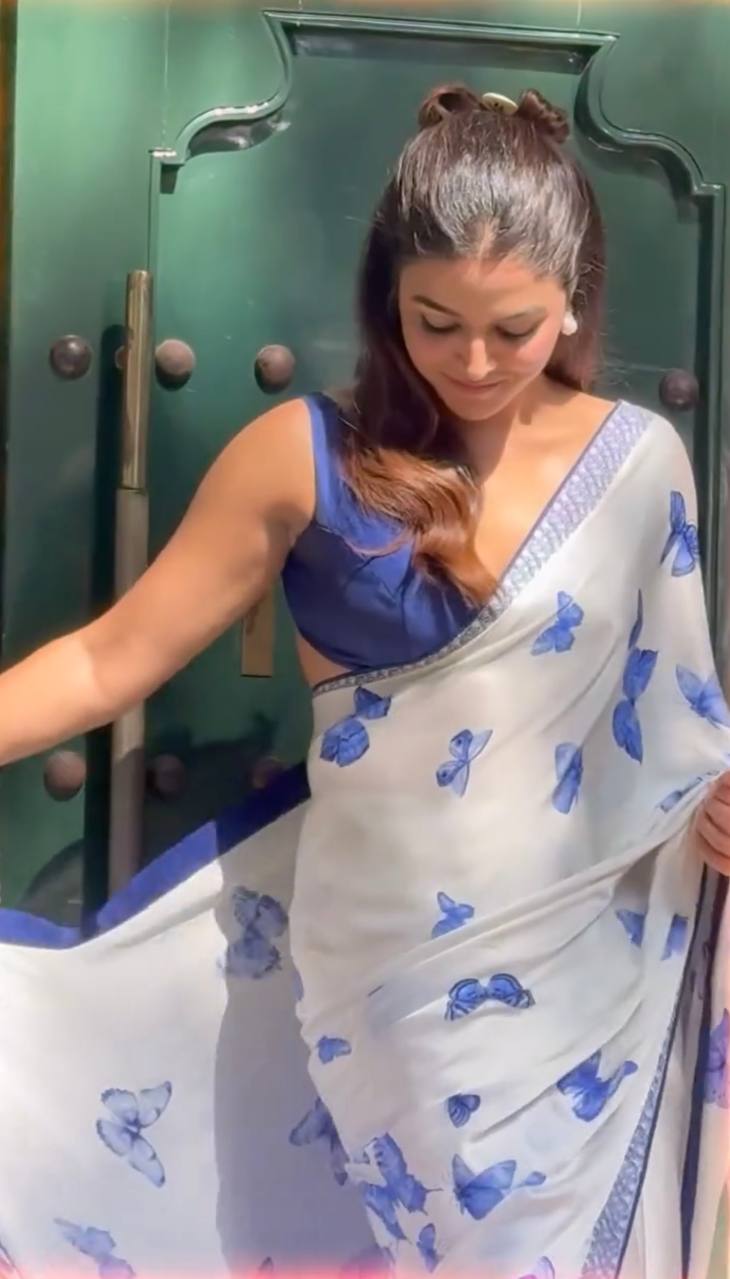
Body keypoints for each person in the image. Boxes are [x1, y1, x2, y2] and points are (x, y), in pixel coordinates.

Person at [0, 84, 727, 1279]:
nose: (473, 363)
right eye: (436, 322)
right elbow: (103, 660)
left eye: (514, 328)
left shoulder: (641, 464)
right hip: (398, 979)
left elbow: (678, 727)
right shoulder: (306, 456)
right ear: (388, 294)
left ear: (571, 298)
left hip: (589, 969)